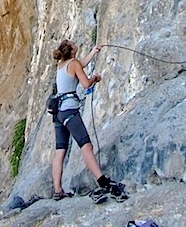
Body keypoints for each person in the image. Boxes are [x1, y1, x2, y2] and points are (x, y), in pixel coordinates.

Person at [51, 39, 128, 202]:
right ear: (72, 50)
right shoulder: (74, 63)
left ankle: (57, 190)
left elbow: (80, 64)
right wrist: (94, 79)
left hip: (58, 113)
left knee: (60, 151)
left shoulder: (62, 65)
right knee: (86, 146)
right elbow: (85, 84)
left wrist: (94, 52)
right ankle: (103, 181)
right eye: (73, 43)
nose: (75, 42)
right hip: (70, 111)